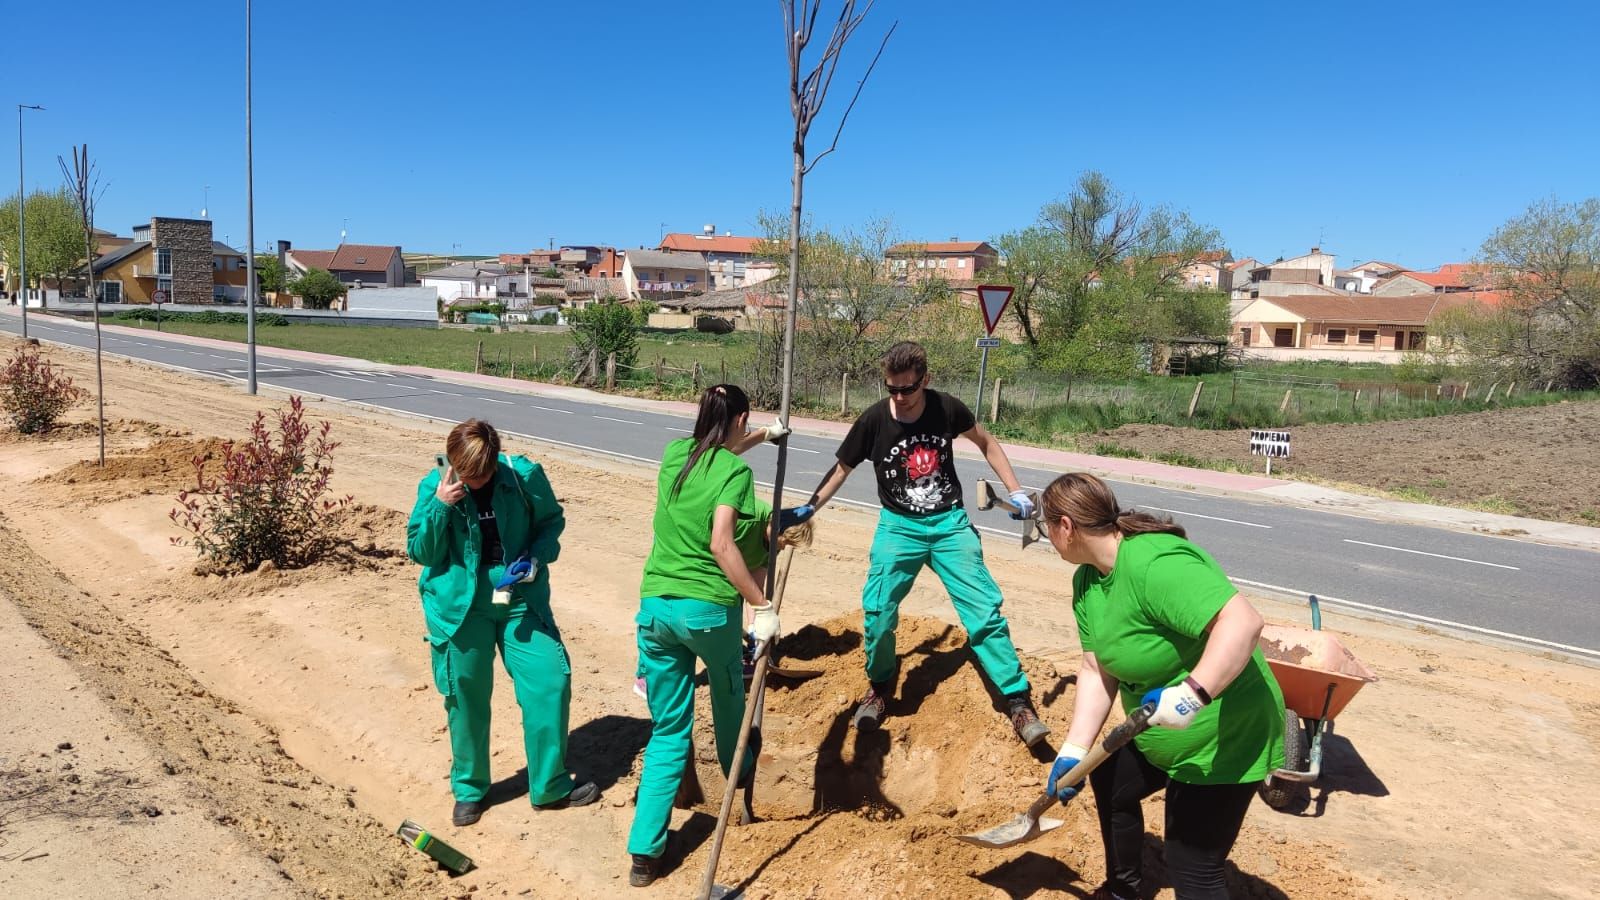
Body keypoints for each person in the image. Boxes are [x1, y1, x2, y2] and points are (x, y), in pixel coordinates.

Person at [1039, 472, 1285, 900]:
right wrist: (1075, 750)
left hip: (1224, 736)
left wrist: (1191, 696)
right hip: (1160, 727)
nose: (1046, 537)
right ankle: (1124, 892)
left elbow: (1244, 622)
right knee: (1112, 779)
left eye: (1047, 527)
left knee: (1193, 865)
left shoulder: (1154, 563)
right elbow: (1099, 669)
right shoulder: (1088, 581)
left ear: (1066, 527)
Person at [804, 340, 1048, 746]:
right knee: (878, 611)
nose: (899, 398)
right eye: (891, 389)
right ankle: (880, 689)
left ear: (925, 380)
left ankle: (1018, 701)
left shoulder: (946, 408)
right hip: (898, 527)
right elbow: (841, 469)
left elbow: (986, 442)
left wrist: (1017, 490)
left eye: (907, 389)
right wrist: (808, 508)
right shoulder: (874, 420)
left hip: (949, 523)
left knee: (984, 612)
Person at [627, 384, 804, 887]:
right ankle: (740, 772)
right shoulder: (735, 474)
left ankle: (644, 852)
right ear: (740, 418)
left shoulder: (675, 454)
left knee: (668, 730)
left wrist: (766, 435)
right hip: (707, 613)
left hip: (655, 610)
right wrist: (762, 605)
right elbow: (723, 544)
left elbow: (720, 448)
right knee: (730, 697)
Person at [406, 419, 599, 828]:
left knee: (550, 681)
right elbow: (421, 552)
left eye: (482, 474)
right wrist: (441, 505)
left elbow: (551, 522)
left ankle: (549, 786)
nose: (474, 483)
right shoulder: (435, 485)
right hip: (460, 607)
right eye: (466, 474)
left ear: (495, 461)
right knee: (466, 697)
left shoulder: (524, 475)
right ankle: (470, 789)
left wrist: (535, 558)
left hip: (519, 599)